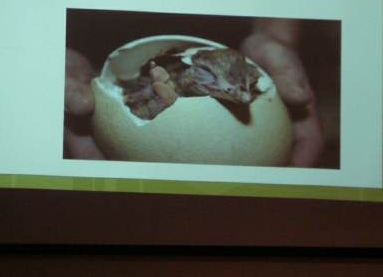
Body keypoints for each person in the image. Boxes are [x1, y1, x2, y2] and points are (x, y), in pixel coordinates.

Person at [64, 18, 324, 167]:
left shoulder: (225, 84)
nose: (245, 97)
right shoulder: (156, 83)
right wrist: (52, 49)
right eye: (230, 85)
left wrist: (274, 34)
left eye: (245, 85)